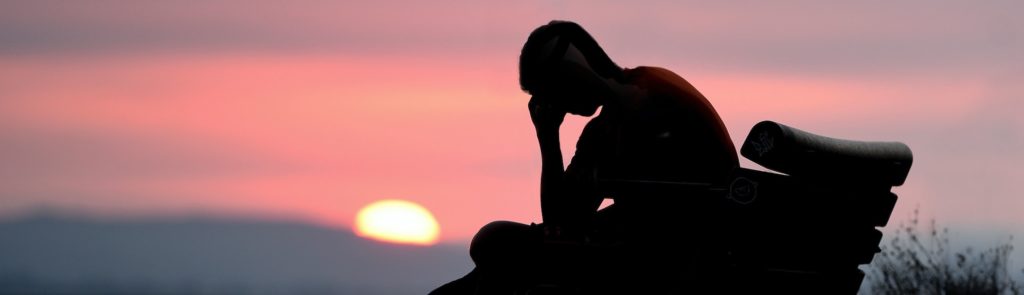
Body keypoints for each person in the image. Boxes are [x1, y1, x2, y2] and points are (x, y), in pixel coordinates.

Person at [431, 20, 739, 294]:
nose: (554, 104)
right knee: (486, 259)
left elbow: (573, 224)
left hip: (666, 252)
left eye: (549, 91)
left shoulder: (653, 97)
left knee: (495, 242)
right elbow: (563, 220)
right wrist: (548, 139)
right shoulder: (606, 126)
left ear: (573, 71)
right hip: (632, 243)